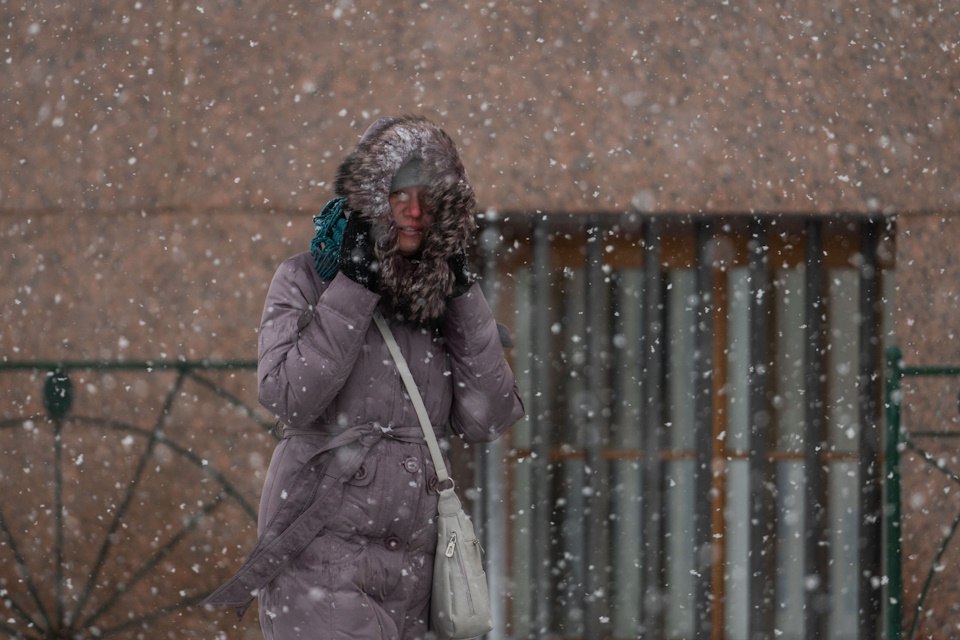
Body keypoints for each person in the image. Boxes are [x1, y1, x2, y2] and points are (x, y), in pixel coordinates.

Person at [204, 115, 525, 640]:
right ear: (371, 201)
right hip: (319, 553)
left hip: (414, 571)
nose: (415, 211)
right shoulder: (306, 279)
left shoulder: (444, 298)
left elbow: (486, 417)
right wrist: (355, 285)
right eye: (400, 195)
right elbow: (288, 396)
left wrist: (463, 294)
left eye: (429, 197)